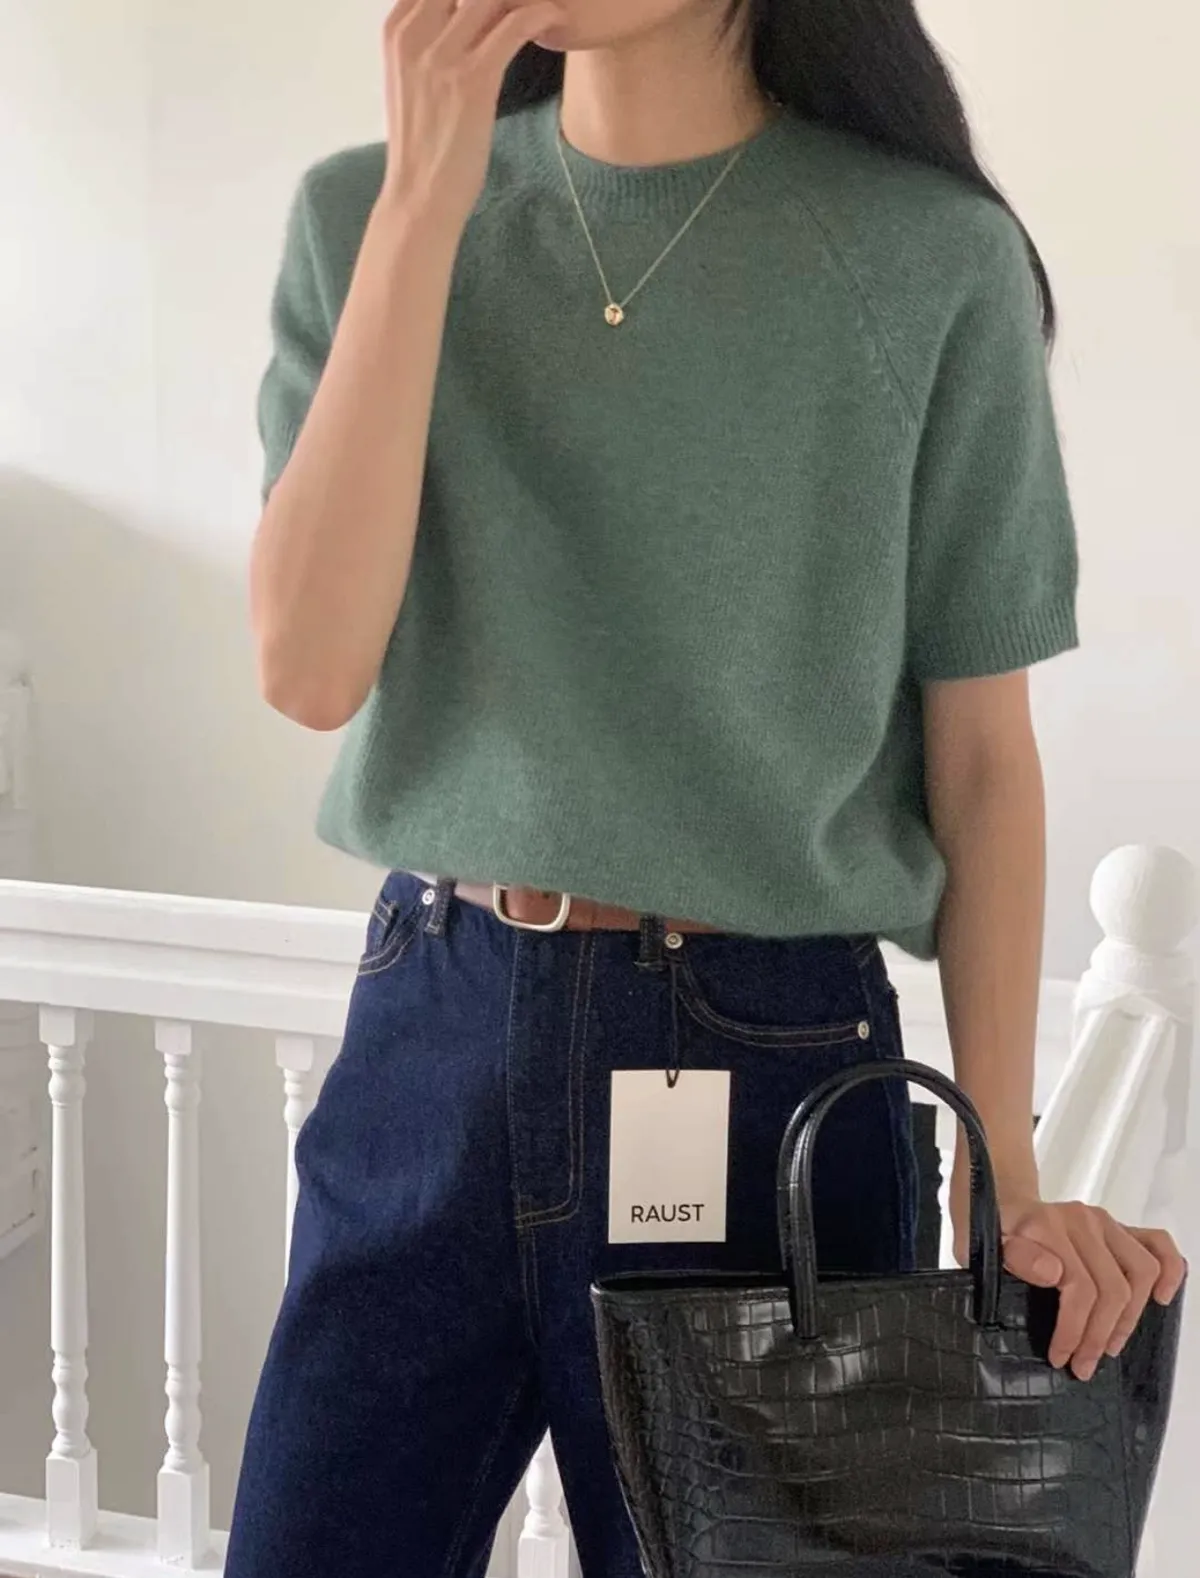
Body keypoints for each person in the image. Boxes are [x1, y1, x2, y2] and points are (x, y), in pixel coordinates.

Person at [226, 1, 1187, 1574]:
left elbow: (983, 764)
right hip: (436, 1034)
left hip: (768, 1071)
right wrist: (422, 208)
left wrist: (1006, 1171)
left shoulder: (929, 260)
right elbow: (312, 668)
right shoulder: (362, 210)